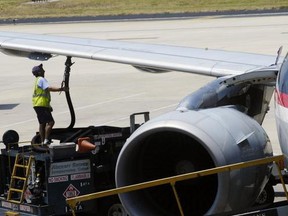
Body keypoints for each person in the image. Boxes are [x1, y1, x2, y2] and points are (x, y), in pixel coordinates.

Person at [32, 64, 67, 145]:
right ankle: (46, 140)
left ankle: (42, 141)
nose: (44, 71)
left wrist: (49, 106)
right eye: (42, 69)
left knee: (42, 123)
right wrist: (61, 89)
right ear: (39, 72)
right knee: (51, 122)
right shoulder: (41, 79)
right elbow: (48, 88)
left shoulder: (37, 80)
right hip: (42, 104)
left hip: (38, 105)